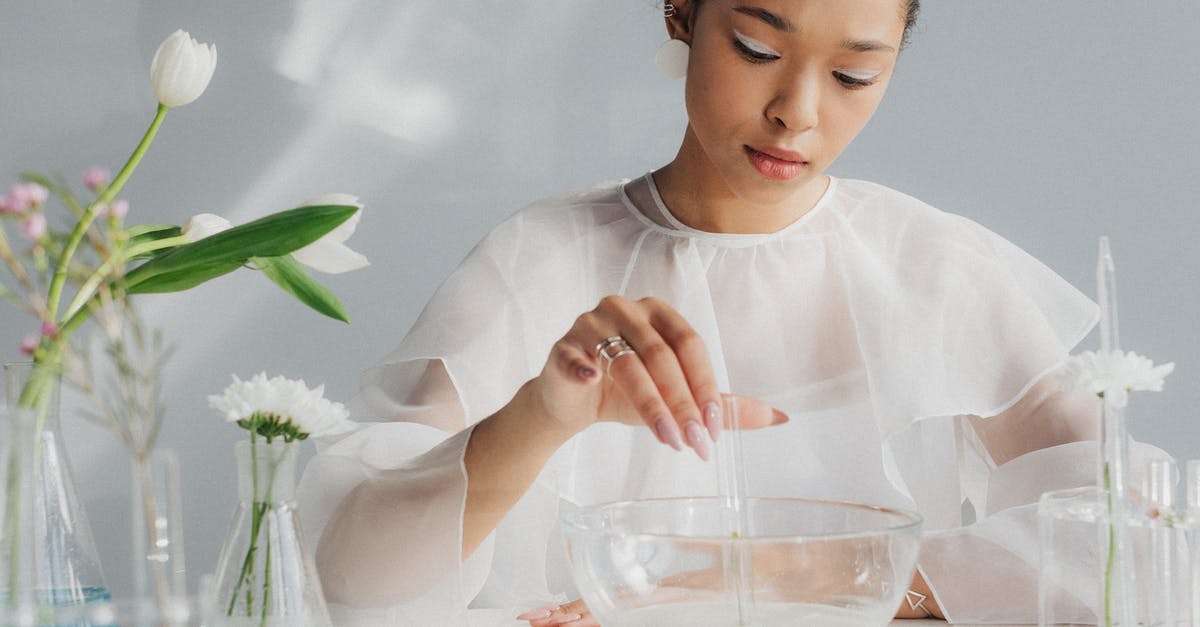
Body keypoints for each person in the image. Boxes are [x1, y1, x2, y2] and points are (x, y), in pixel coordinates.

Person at [297, 1, 1161, 624]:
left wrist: (755, 580)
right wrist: (540, 415)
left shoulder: (934, 270)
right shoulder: (538, 260)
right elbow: (349, 577)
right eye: (755, 47)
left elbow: (1143, 545)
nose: (798, 112)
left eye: (856, 72)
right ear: (680, 11)